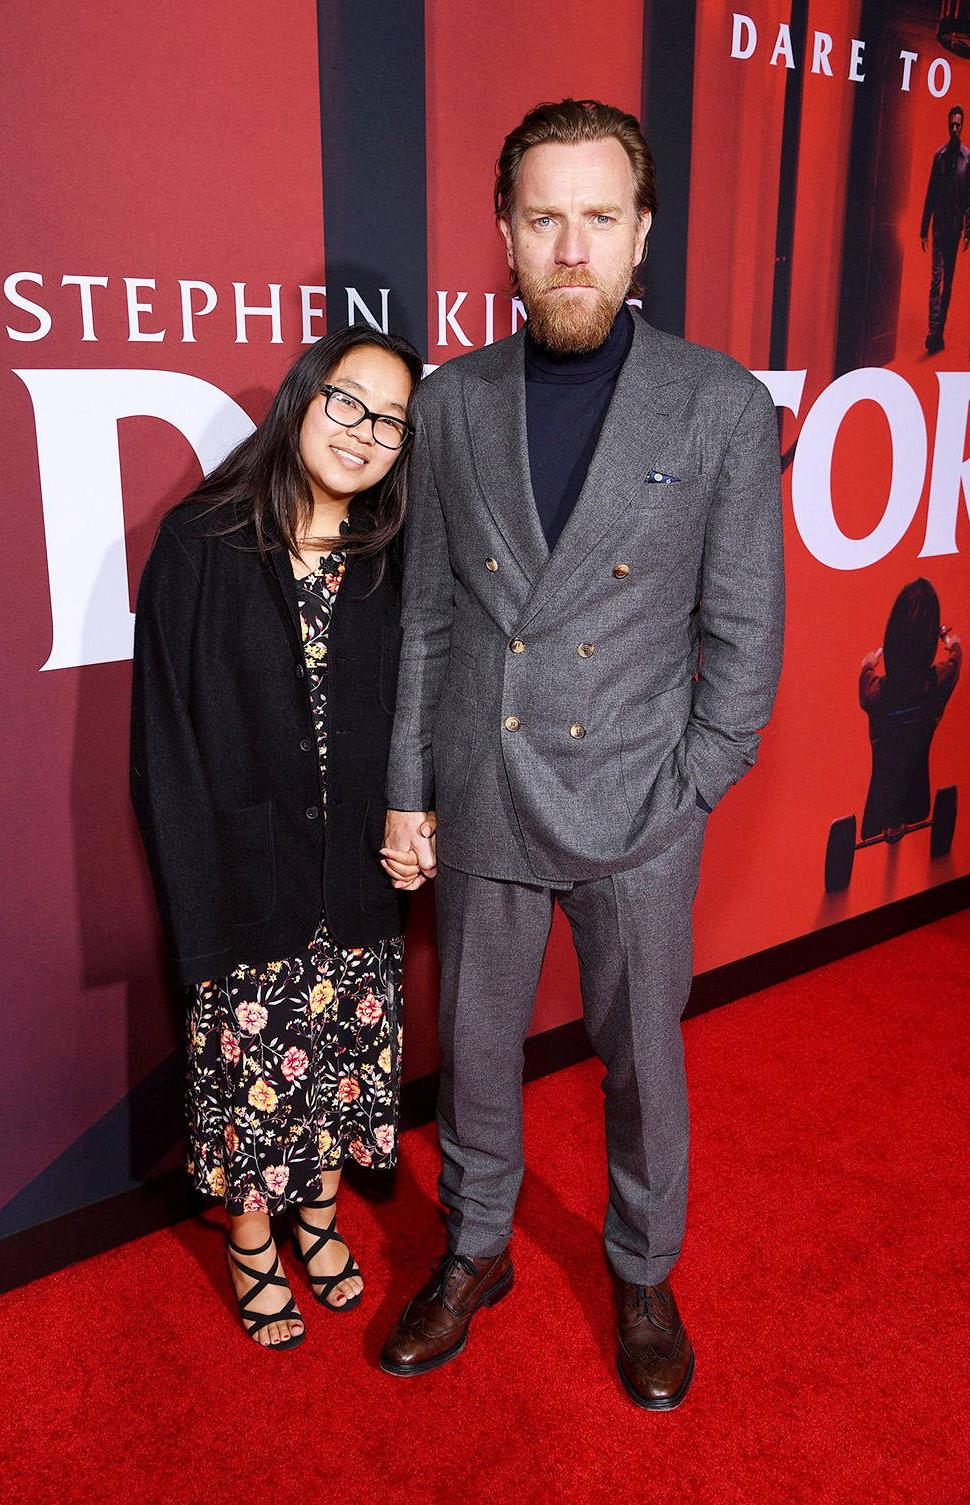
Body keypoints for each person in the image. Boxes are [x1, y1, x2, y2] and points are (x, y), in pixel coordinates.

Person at [378, 99, 784, 1409]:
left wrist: (685, 795)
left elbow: (746, 634)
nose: (571, 246)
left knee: (641, 1060)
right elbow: (430, 617)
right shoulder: (451, 402)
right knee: (478, 1048)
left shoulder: (714, 403)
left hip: (639, 806)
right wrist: (409, 787)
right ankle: (476, 1250)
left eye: (598, 218)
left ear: (639, 234)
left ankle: (643, 1267)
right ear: (503, 235)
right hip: (485, 786)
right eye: (543, 216)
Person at [131, 325, 429, 1350]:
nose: (365, 431)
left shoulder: (387, 560)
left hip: (352, 873)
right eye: (349, 401)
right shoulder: (200, 540)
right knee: (255, 1074)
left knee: (341, 1060)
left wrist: (416, 809)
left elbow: (410, 715)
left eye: (391, 420)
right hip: (243, 877)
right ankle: (253, 1242)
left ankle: (320, 1216)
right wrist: (197, 911)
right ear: (304, 396)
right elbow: (165, 743)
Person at [859, 578, 961, 839]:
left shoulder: (875, 693)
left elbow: (866, 680)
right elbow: (955, 661)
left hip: (879, 801)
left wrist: (868, 665)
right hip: (917, 796)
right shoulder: (938, 682)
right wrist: (951, 641)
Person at [920, 104, 970, 355]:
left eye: (958, 125)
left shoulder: (967, 158)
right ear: (947, 124)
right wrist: (923, 228)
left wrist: (967, 231)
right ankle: (933, 331)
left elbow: (969, 199)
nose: (954, 128)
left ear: (962, 126)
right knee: (936, 280)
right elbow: (930, 192)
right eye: (951, 124)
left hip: (954, 228)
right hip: (939, 227)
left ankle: (939, 330)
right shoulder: (939, 156)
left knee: (948, 283)